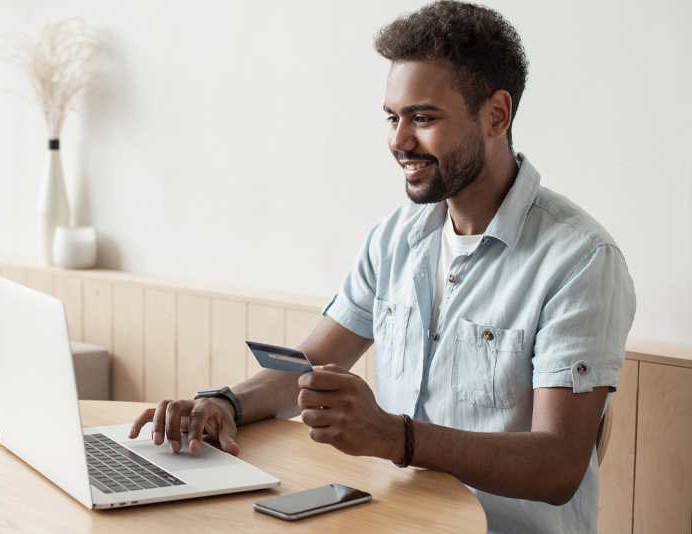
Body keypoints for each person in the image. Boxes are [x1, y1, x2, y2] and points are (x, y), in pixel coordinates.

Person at [130, 2, 636, 532]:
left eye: (423, 117)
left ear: (497, 115)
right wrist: (224, 403)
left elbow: (557, 466)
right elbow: (308, 365)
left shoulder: (581, 261)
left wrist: (395, 436)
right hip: (398, 522)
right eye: (393, 118)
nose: (398, 141)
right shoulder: (395, 238)